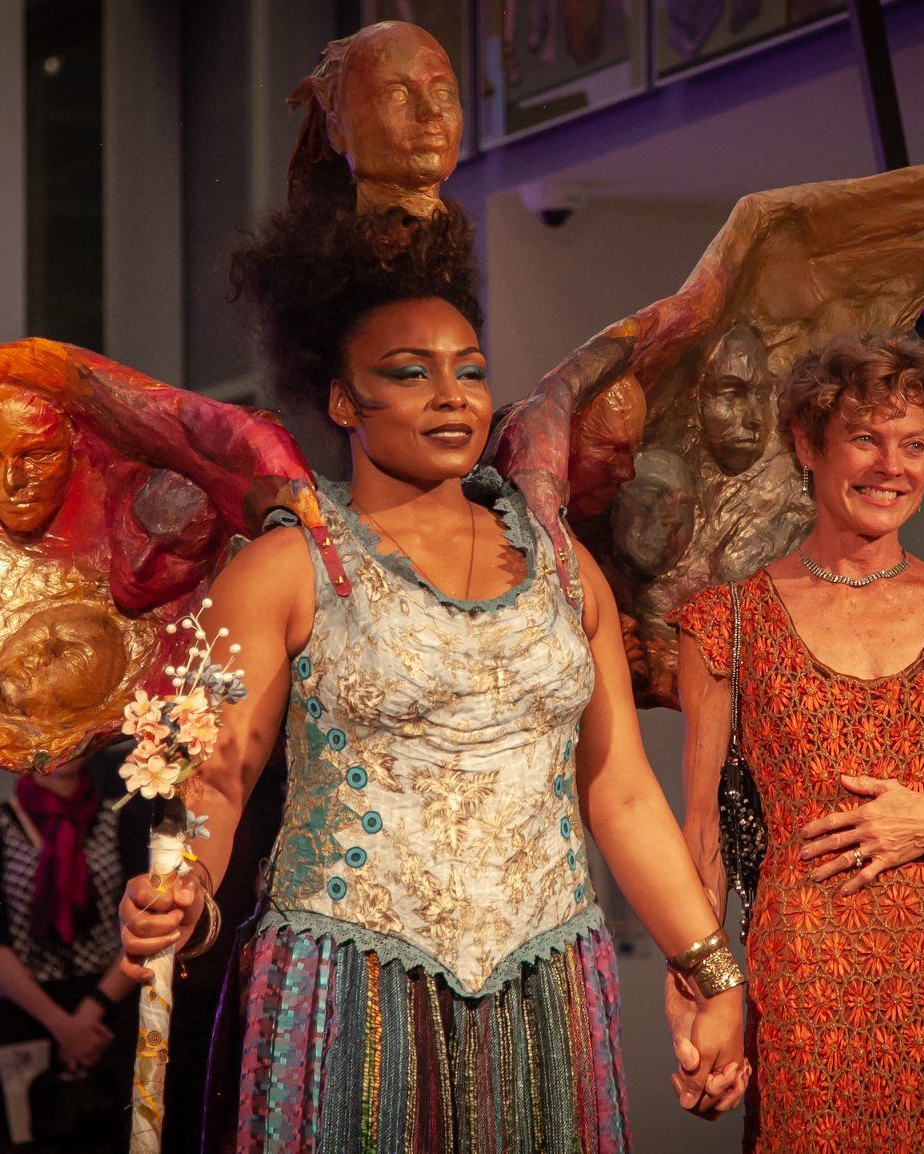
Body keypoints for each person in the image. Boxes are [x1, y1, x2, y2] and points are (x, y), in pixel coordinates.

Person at [116, 202, 748, 1151]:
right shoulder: (290, 566)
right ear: (343, 402)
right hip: (347, 982)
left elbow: (618, 790)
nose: (452, 396)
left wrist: (710, 971)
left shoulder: (563, 567)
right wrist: (186, 891)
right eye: (409, 374)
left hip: (544, 985)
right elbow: (218, 774)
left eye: (470, 371)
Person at [670, 332, 924, 1152]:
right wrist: (704, 999)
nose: (891, 466)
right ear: (805, 444)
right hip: (807, 983)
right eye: (864, 438)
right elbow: (701, 843)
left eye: (912, 444)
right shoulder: (725, 623)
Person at [0, 758, 145, 1152]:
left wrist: (89, 1014)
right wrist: (63, 1026)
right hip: (24, 1015)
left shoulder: (117, 820)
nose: (64, 748)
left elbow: (140, 930)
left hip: (104, 1015)